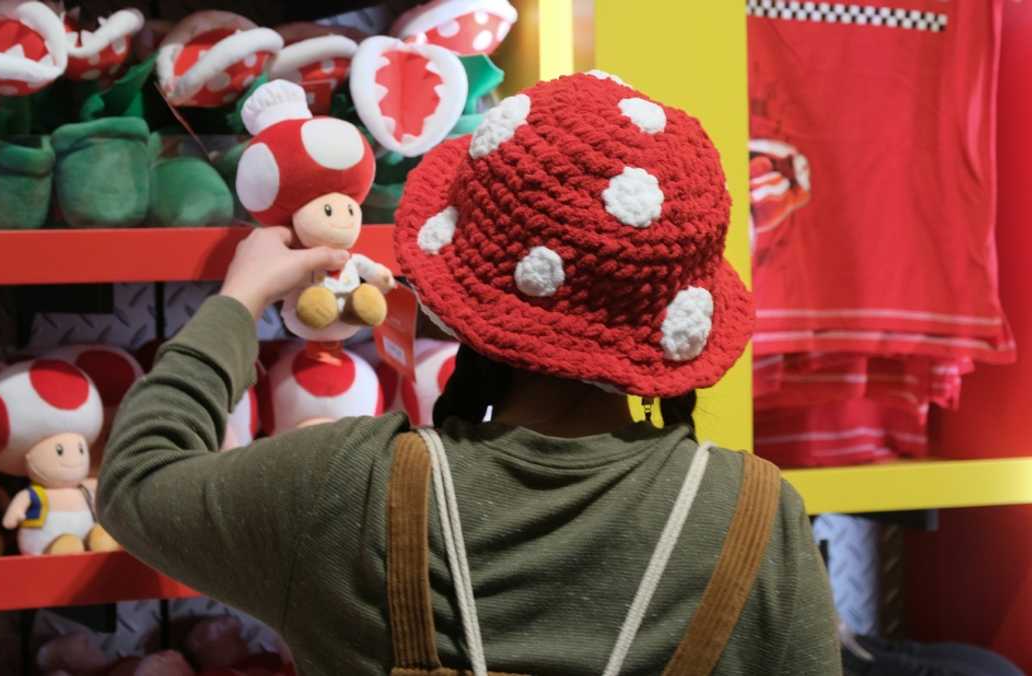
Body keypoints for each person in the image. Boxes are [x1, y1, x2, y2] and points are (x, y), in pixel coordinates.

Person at [98, 73, 839, 675]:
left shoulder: (348, 489)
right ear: (674, 316)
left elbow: (136, 481)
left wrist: (239, 300)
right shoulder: (756, 521)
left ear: (460, 292)